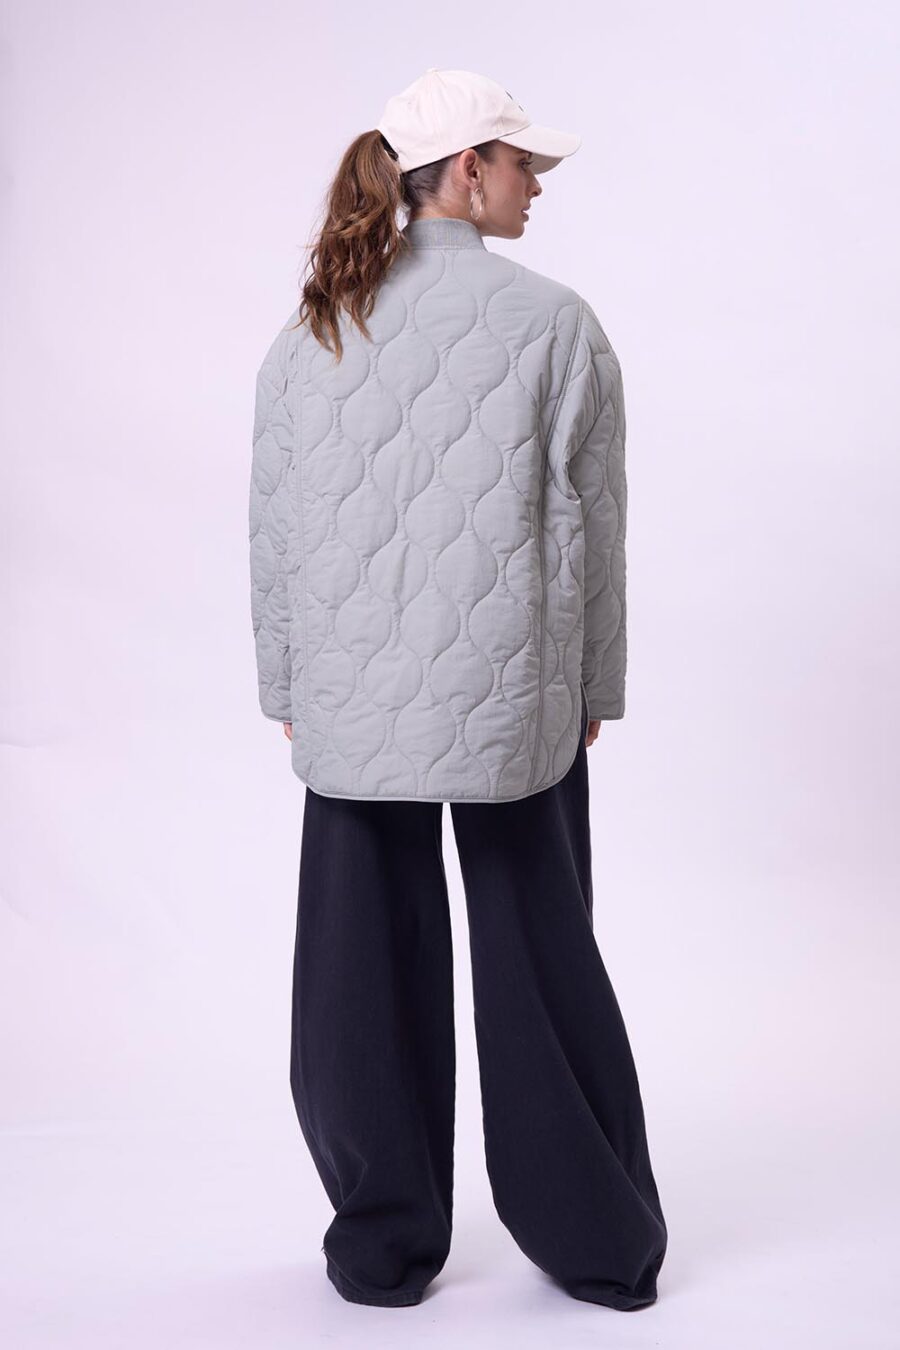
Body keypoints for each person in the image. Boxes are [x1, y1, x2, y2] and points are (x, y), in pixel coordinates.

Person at [249, 67, 667, 1310]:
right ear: (469, 171)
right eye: (524, 163)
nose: (537, 185)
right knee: (542, 965)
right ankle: (596, 1244)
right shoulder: (556, 323)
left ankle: (382, 1249)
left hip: (350, 701)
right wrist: (595, 685)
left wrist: (288, 682)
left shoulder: (312, 330)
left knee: (357, 978)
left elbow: (273, 528)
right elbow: (595, 532)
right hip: (513, 698)